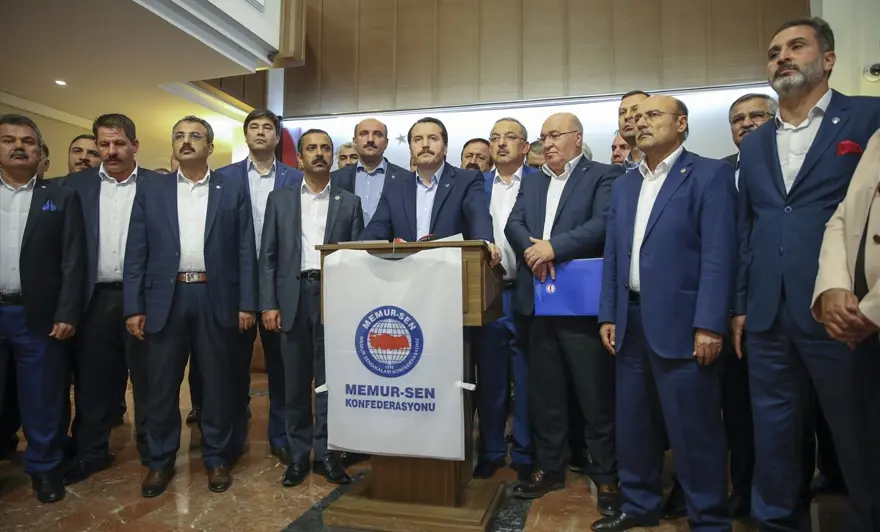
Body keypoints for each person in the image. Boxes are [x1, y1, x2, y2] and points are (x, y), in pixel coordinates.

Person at [731, 17, 880, 531]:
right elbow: (748, 228)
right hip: (768, 313)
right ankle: (777, 522)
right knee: (774, 434)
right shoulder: (754, 144)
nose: (783, 58)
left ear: (829, 60)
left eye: (796, 47)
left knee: (859, 434)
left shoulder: (867, 117)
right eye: (774, 52)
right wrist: (740, 305)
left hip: (843, 309)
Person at [593, 96, 735, 532]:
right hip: (630, 320)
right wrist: (608, 313)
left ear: (682, 123)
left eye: (653, 115)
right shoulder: (625, 184)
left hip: (685, 323)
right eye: (636, 117)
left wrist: (709, 323)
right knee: (634, 425)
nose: (641, 122)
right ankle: (639, 505)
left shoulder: (709, 174)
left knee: (694, 430)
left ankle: (708, 518)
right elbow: (614, 254)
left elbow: (719, 255)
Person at [124, 115, 257, 497]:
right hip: (165, 298)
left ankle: (216, 458)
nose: (186, 141)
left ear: (209, 147)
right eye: (179, 136)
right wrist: (134, 306)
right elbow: (137, 251)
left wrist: (247, 303)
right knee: (161, 386)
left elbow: (245, 248)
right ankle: (160, 461)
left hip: (216, 295)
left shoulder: (231, 189)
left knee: (216, 383)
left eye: (195, 136)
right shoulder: (153, 189)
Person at [505, 113, 623, 516]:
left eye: (555, 135)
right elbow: (514, 222)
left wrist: (554, 248)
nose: (548, 143)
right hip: (538, 301)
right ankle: (550, 468)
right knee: (546, 394)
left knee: (594, 395)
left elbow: (603, 223)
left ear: (577, 137)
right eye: (543, 137)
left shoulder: (603, 175)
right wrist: (532, 251)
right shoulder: (534, 180)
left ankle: (605, 474)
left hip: (580, 303)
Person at [259, 128, 364, 487]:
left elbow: (357, 259)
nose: (319, 154)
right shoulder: (280, 199)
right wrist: (268, 304)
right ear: (300, 157)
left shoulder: (349, 202)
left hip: (333, 297)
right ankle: (298, 455)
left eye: (325, 148)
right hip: (292, 297)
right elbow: (268, 256)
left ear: (332, 156)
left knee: (330, 381)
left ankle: (327, 455)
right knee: (295, 382)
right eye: (311, 148)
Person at [61, 114, 158, 481]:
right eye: (104, 144)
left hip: (145, 298)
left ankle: (154, 450)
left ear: (134, 145)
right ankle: (91, 452)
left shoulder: (158, 186)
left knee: (149, 380)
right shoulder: (75, 185)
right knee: (93, 381)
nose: (111, 151)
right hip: (95, 299)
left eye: (119, 143)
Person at [0, 114, 86, 502]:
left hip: (38, 315)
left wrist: (67, 311)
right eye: (9, 140)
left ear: (39, 151)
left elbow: (73, 259)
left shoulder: (61, 196)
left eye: (27, 141)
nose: (19, 147)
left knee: (43, 396)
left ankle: (44, 467)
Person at [811, 127, 880, 531]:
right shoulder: (877, 138)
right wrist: (834, 286)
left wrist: (872, 310)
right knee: (867, 450)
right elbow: (844, 216)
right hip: (859, 327)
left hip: (866, 317)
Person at [472, 118, 533, 482]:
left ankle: (525, 452)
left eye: (510, 137)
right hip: (489, 293)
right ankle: (492, 450)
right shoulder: (476, 185)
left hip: (529, 291)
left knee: (527, 378)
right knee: (491, 379)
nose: (501, 143)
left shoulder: (540, 182)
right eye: (495, 137)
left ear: (525, 147)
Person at [359, 117, 498, 261]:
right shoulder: (395, 186)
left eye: (432, 138)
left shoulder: (466, 180)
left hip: (452, 268)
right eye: (418, 139)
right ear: (411, 149)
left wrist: (486, 243)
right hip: (405, 269)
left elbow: (478, 217)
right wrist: (356, 251)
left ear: (445, 147)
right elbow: (377, 228)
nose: (425, 145)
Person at [332, 118, 407, 225]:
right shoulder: (334, 179)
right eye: (364, 134)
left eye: (377, 134)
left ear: (386, 143)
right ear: (355, 142)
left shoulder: (405, 178)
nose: (370, 139)